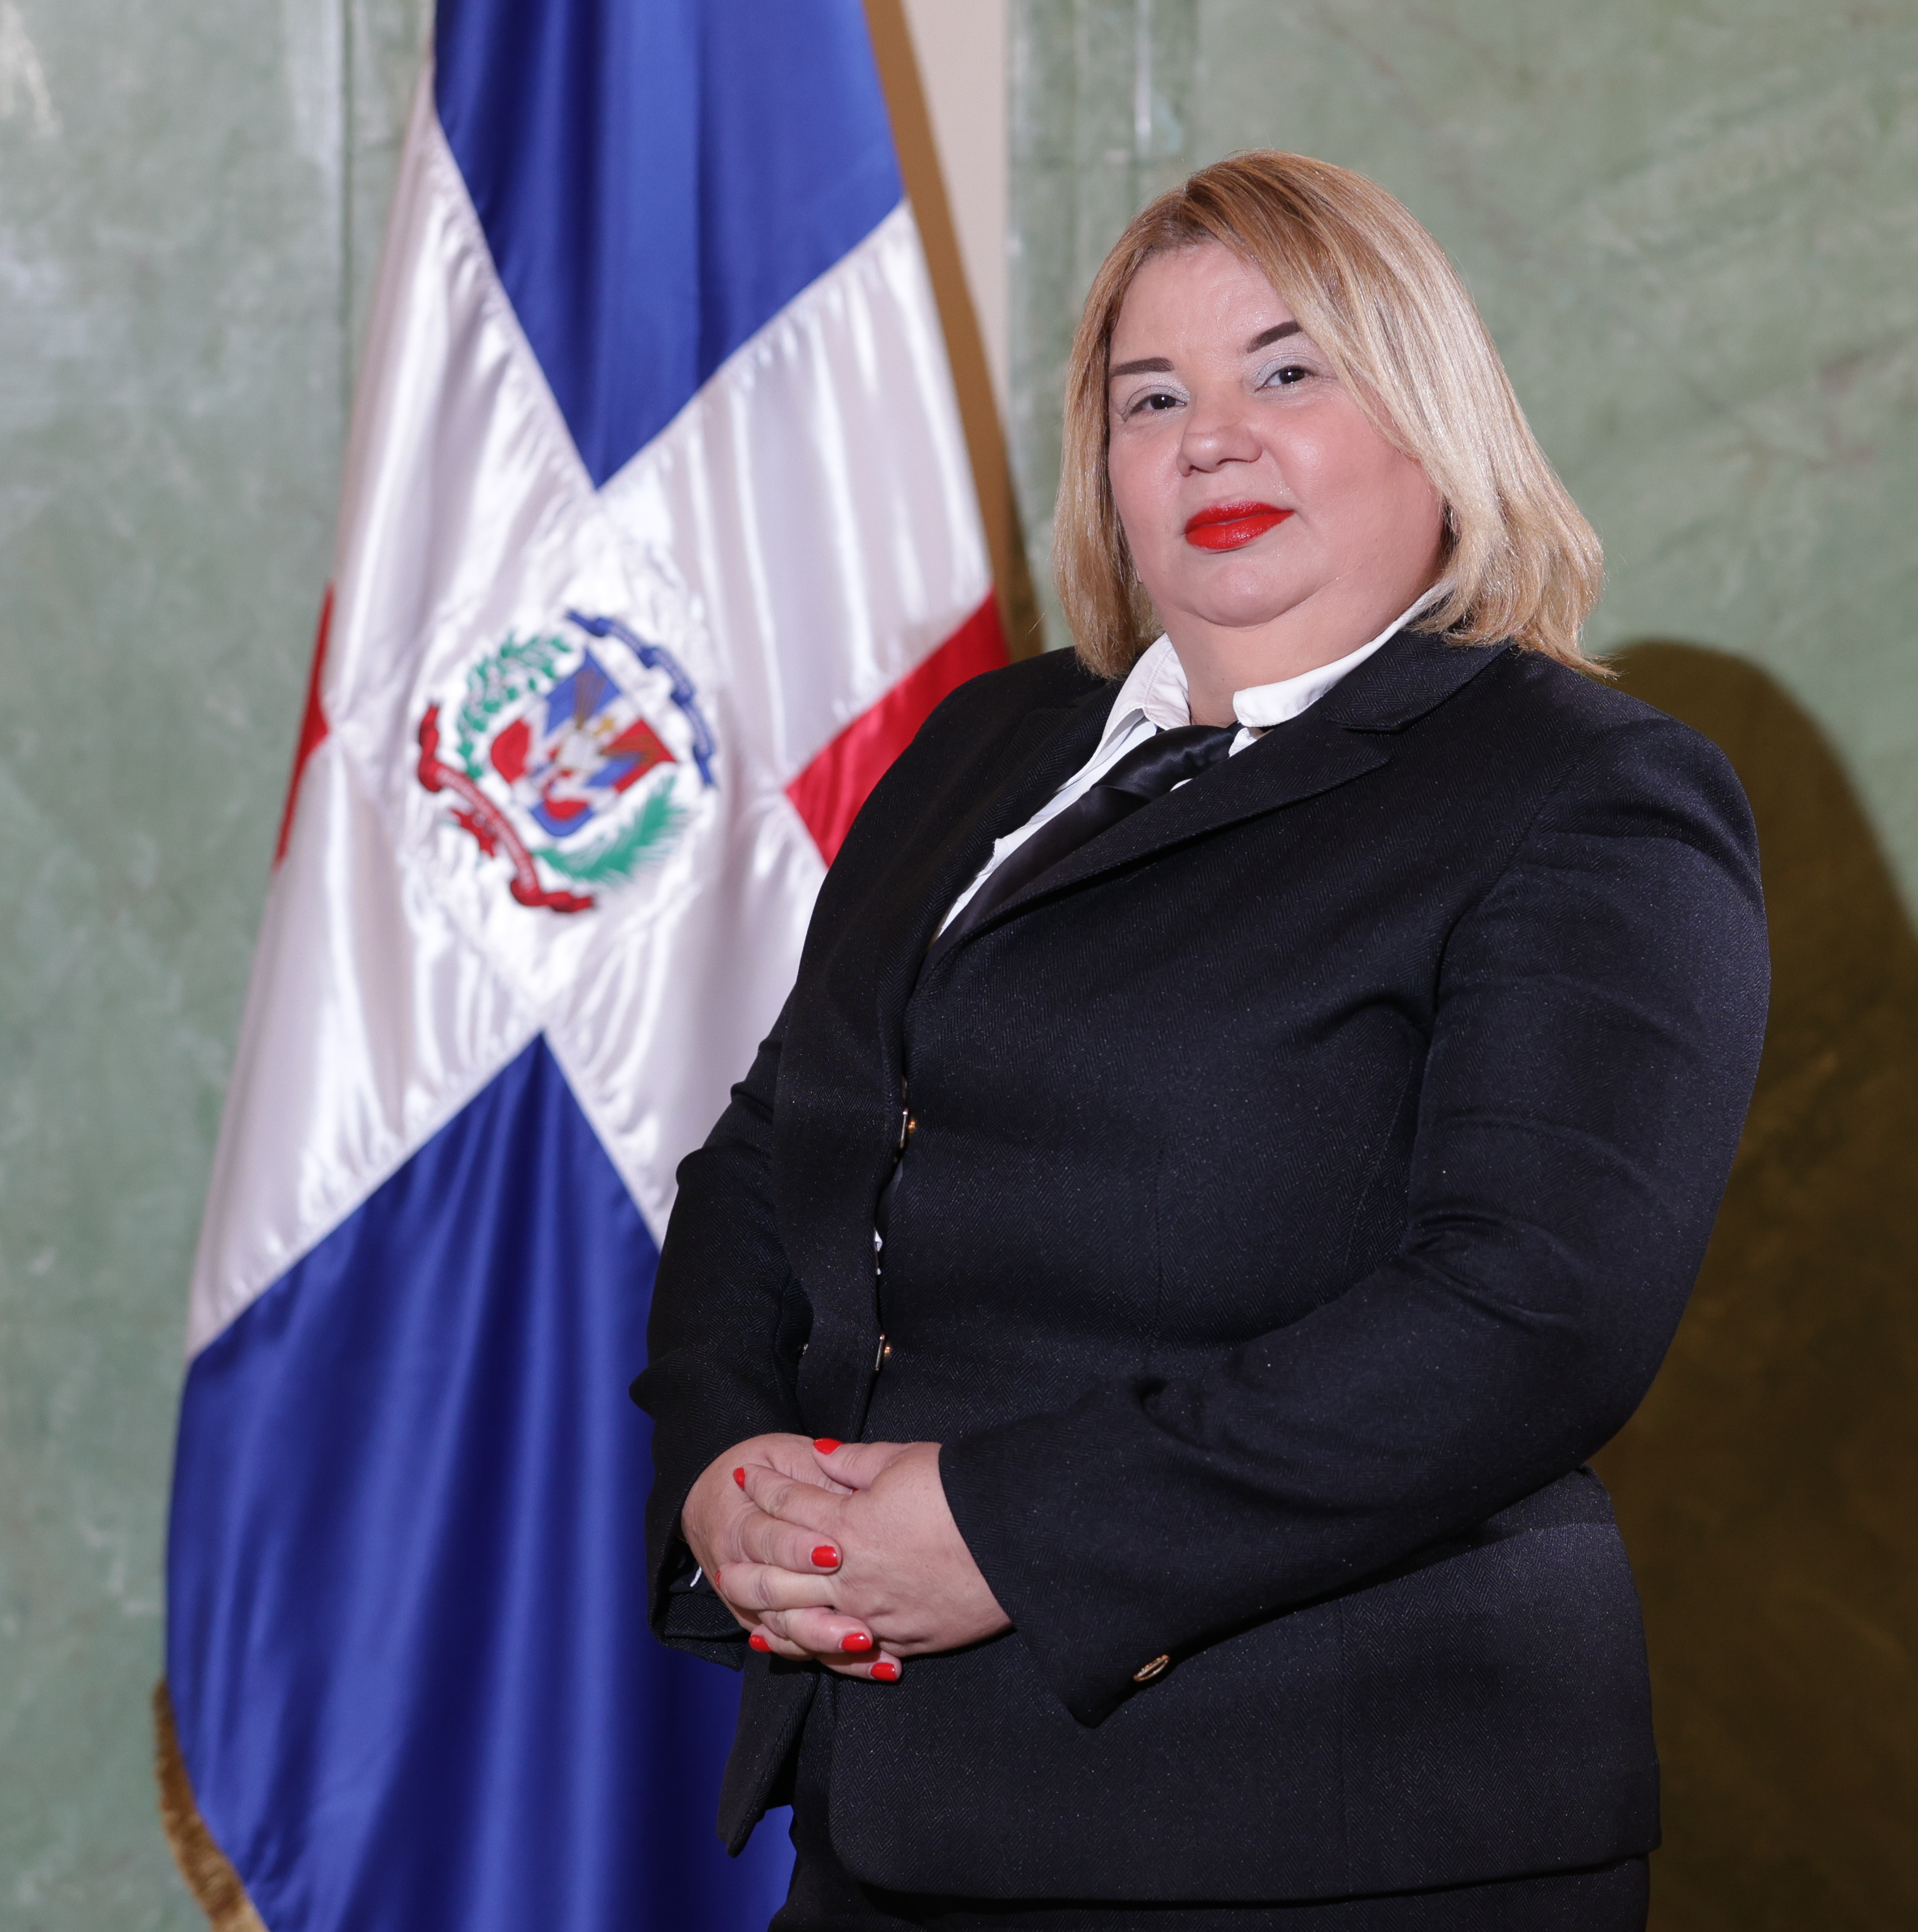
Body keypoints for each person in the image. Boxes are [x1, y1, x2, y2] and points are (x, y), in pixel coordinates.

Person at [632, 151, 1770, 1930]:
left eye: (1287, 371)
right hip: (893, 1814)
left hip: (1337, 1836)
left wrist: (1010, 1532)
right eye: (1151, 398)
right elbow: (781, 1145)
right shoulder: (988, 745)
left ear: (1436, 421)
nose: (1213, 441)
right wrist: (723, 1465)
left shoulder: (1587, 792)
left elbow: (1531, 1313)